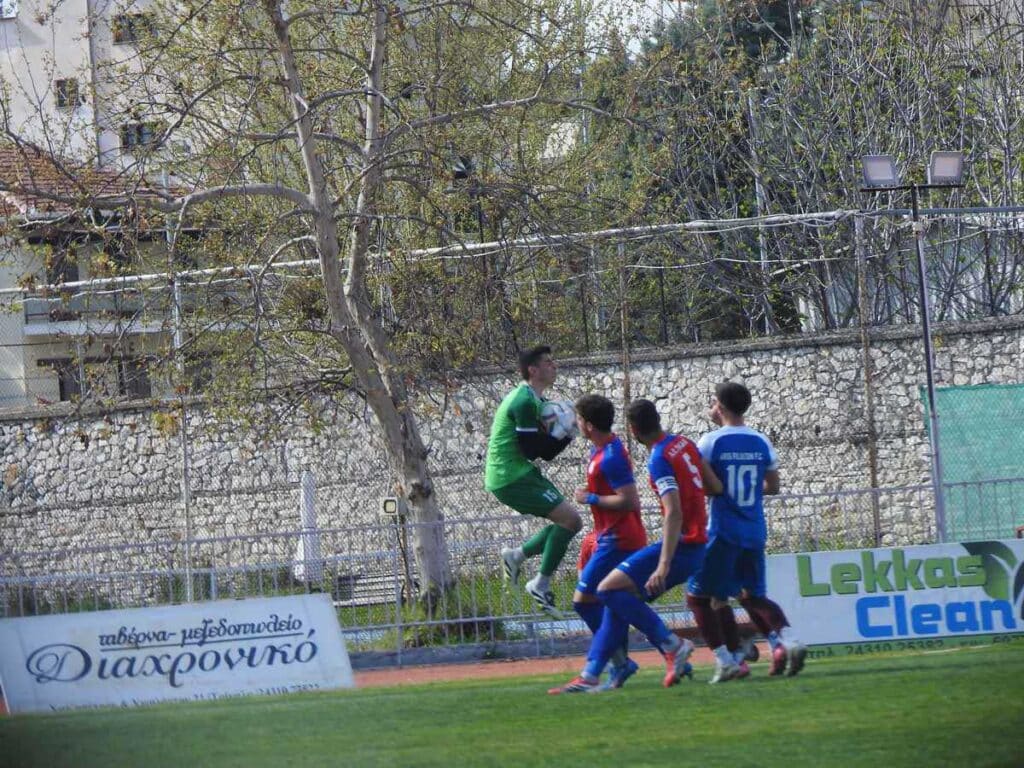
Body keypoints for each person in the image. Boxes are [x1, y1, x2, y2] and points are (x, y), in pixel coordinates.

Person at [549, 398, 722, 693]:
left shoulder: (649, 457)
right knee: (617, 602)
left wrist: (663, 564)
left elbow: (662, 508)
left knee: (598, 595)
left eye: (578, 419)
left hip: (641, 541)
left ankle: (670, 645)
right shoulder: (682, 443)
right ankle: (599, 671)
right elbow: (714, 487)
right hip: (685, 541)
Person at [688, 381, 807, 682]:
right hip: (754, 529)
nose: (711, 407)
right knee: (751, 594)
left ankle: (732, 659)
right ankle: (786, 639)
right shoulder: (761, 441)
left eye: (713, 402)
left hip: (723, 529)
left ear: (721, 407)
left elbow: (707, 486)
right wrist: (748, 489)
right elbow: (773, 486)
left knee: (706, 597)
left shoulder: (710, 442)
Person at [549, 394, 648, 693]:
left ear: (588, 425)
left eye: (578, 419)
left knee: (584, 601)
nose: (576, 424)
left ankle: (659, 647)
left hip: (618, 540)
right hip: (608, 537)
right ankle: (619, 663)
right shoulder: (602, 449)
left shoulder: (612, 455)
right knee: (610, 605)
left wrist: (590, 498)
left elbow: (629, 501)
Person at [487, 345, 582, 616]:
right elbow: (531, 450)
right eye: (548, 363)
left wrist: (567, 433)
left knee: (571, 522)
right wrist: (561, 431)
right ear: (533, 370)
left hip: (520, 474)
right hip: (510, 477)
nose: (554, 367)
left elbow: (547, 454)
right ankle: (538, 582)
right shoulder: (523, 401)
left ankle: (517, 558)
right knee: (571, 521)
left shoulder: (538, 402)